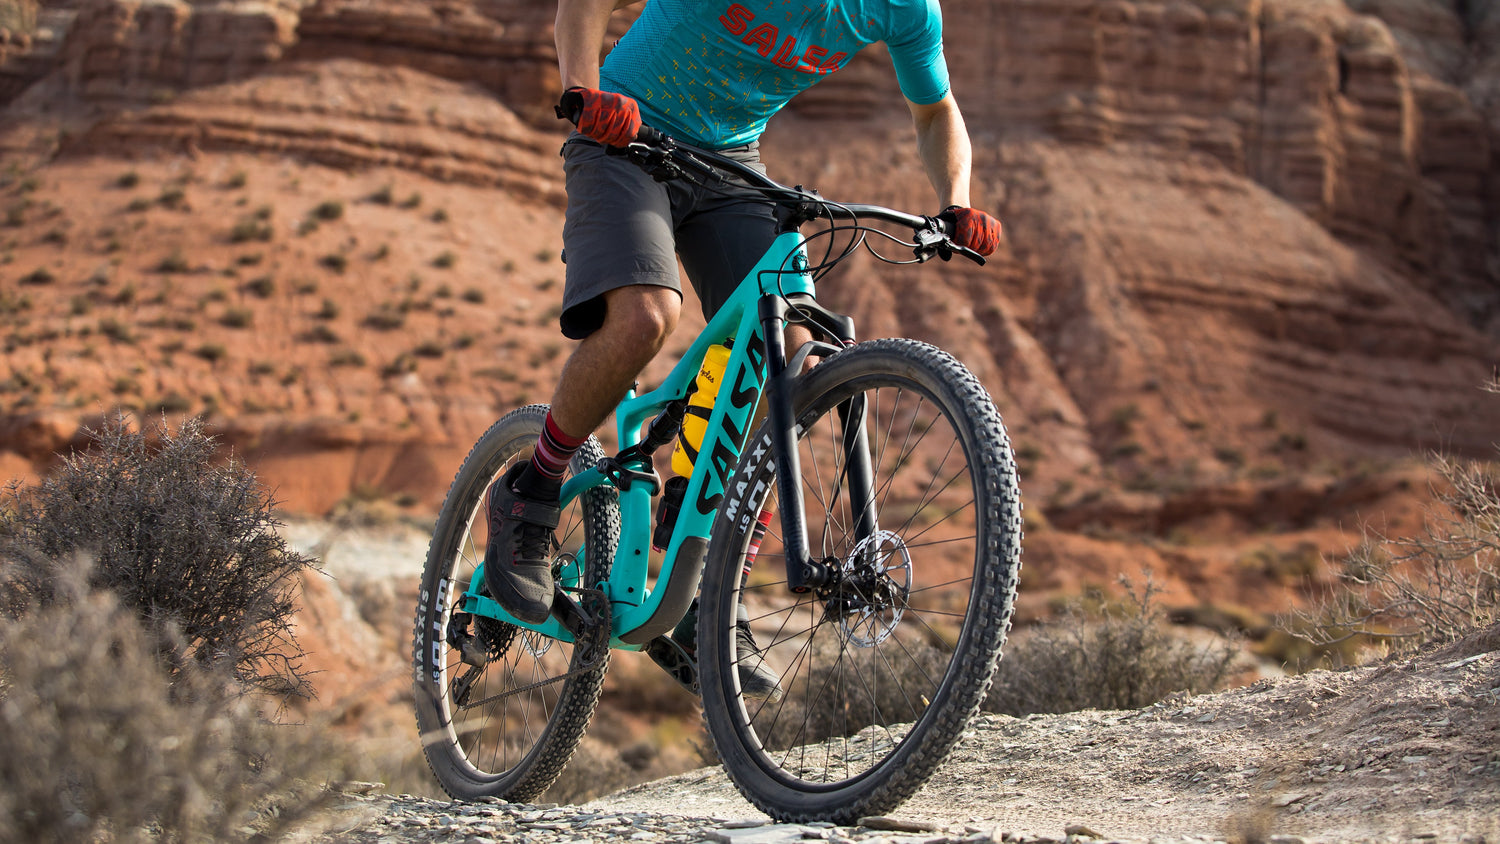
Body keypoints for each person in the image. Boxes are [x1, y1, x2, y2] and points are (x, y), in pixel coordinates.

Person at [483, 0, 1002, 659]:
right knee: (645, 317)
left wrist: (955, 201)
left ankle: (703, 568)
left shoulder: (904, 9)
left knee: (794, 359)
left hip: (731, 162)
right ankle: (534, 486)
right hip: (626, 135)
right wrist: (583, 89)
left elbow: (935, 111)